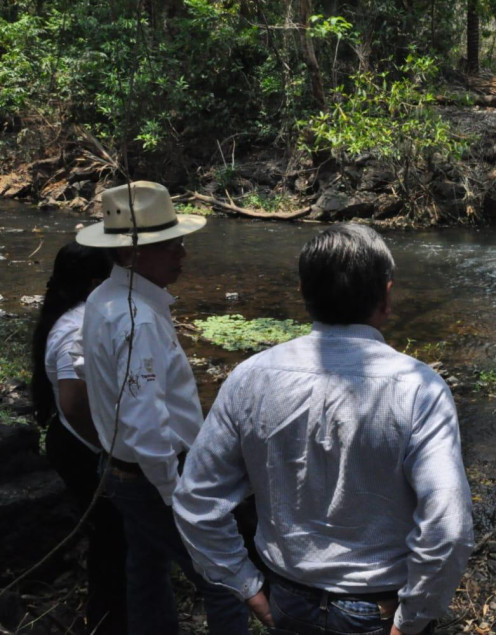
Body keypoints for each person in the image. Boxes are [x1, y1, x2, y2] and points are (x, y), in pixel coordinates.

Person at [173, 223, 474, 635]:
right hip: (380, 608)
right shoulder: (419, 388)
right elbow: (448, 528)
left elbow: (195, 500)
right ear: (386, 296)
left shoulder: (250, 378)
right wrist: (413, 618)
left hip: (288, 599)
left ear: (303, 292)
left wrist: (247, 586)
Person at [75, 181, 250, 634]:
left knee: (146, 566)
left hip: (119, 468)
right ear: (132, 254)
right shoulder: (139, 318)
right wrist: (178, 495)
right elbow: (146, 422)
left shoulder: (104, 300)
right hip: (152, 474)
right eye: (169, 245)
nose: (181, 253)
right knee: (222, 579)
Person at [30, 241, 127, 634]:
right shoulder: (79, 327)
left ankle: (108, 614)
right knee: (112, 539)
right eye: (114, 276)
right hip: (83, 448)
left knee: (110, 538)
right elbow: (74, 404)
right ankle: (108, 619)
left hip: (69, 440)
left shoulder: (65, 315)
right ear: (95, 282)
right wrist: (110, 450)